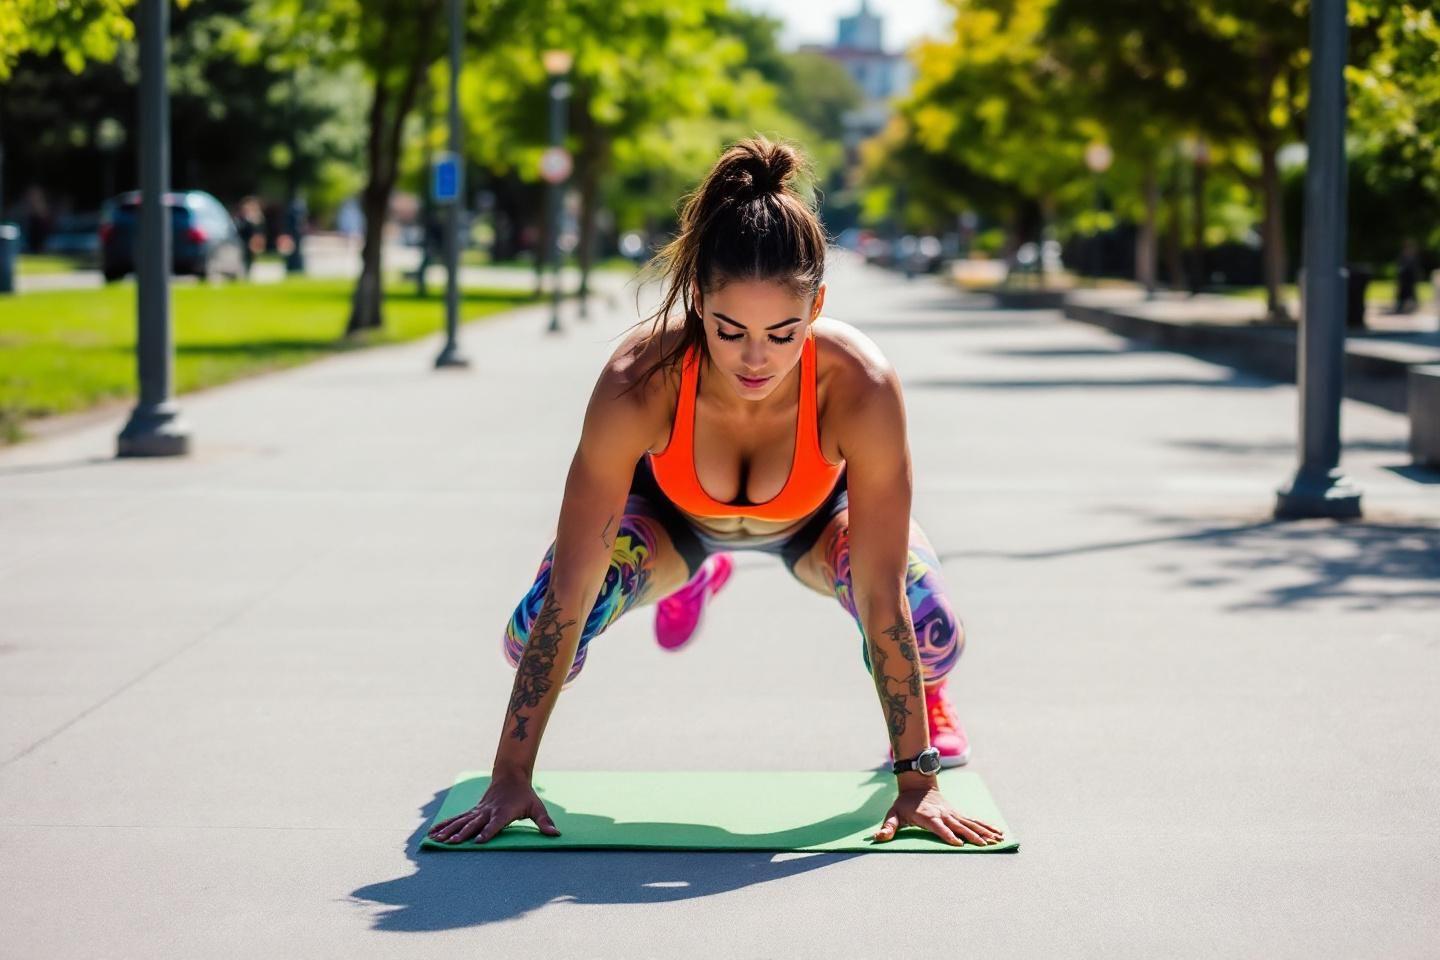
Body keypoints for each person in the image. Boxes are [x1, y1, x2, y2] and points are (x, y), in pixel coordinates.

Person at [428, 136, 1004, 849]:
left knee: (926, 622)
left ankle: (933, 696)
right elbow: (572, 589)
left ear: (818, 305)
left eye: (783, 332)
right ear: (697, 299)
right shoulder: (640, 379)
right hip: (673, 522)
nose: (755, 358)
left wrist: (917, 784)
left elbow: (880, 595)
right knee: (532, 634)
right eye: (730, 331)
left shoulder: (861, 386)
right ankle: (689, 581)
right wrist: (511, 773)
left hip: (815, 524)